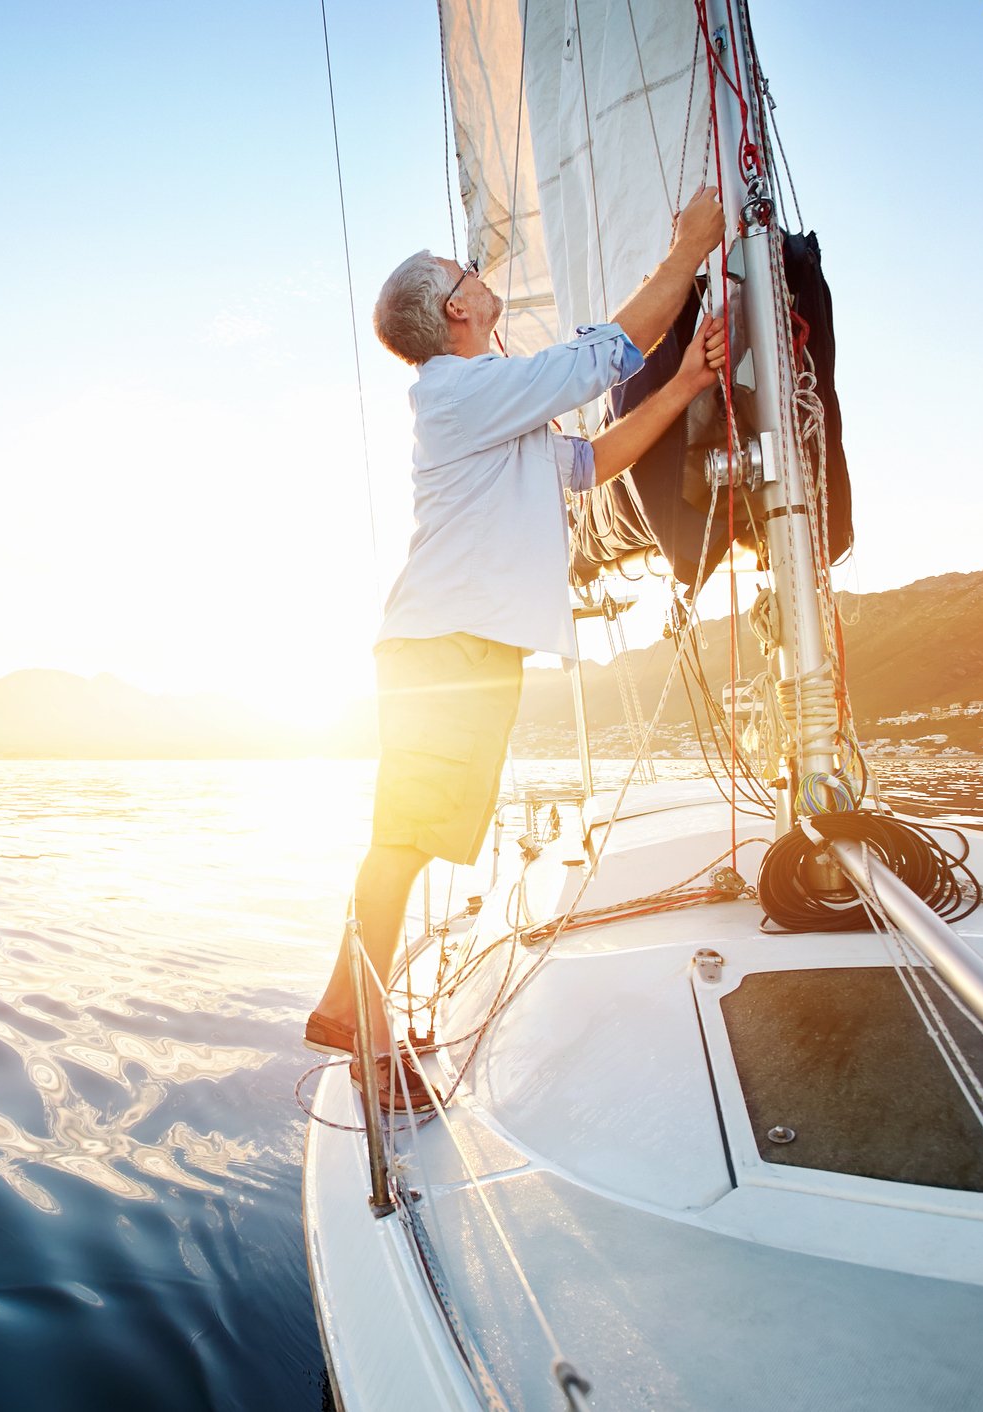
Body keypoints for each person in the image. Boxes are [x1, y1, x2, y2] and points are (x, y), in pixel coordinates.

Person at [305, 187, 730, 1109]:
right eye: (465, 274)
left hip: (464, 649)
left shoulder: (490, 405)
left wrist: (691, 383)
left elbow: (589, 465)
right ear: (457, 309)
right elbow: (603, 358)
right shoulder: (458, 391)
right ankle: (359, 1020)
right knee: (405, 835)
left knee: (419, 837)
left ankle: (352, 1002)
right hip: (442, 647)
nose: (477, 273)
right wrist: (689, 251)